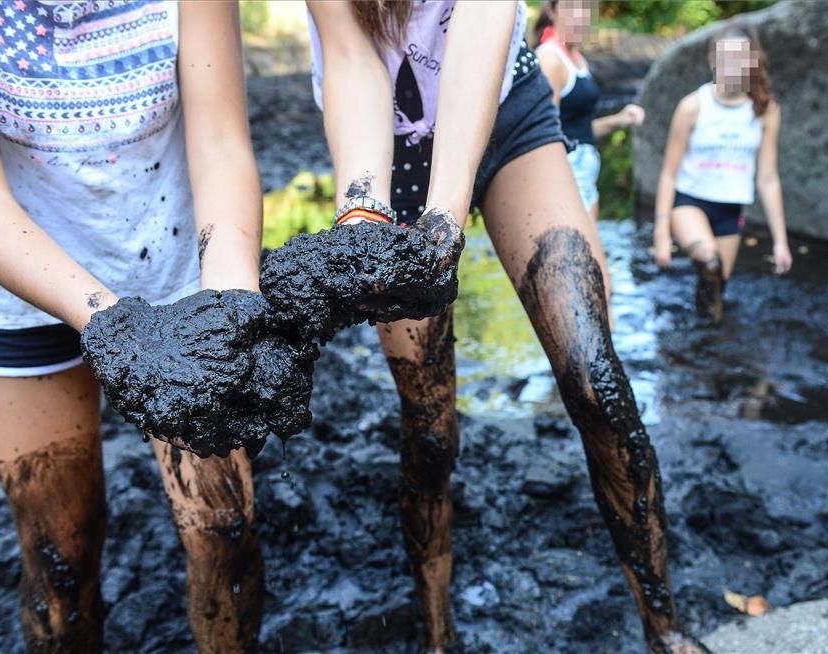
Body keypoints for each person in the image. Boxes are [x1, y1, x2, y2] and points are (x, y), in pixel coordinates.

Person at [306, 2, 707, 652]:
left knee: (596, 379)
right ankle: (437, 634)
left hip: (505, 106)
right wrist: (362, 214)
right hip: (388, 140)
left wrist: (446, 213)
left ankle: (667, 631)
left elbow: (483, 19)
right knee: (430, 432)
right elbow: (352, 57)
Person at [0, 1, 264, 651]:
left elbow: (220, 144)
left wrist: (232, 307)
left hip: (174, 267)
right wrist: (117, 327)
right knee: (61, 553)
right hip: (14, 282)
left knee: (224, 529)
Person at [653, 21, 792, 322]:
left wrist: (780, 241)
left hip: (730, 211)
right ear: (713, 60)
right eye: (725, 58)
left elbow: (768, 179)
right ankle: (702, 344)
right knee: (710, 263)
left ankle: (703, 349)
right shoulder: (693, 106)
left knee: (716, 286)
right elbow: (668, 173)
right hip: (689, 203)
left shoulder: (765, 110)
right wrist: (661, 232)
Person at [534, 0, 646, 222]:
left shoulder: (576, 57)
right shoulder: (550, 60)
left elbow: (578, 130)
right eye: (571, 7)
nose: (580, 16)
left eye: (586, 8)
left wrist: (619, 119)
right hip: (565, 177)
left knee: (589, 254)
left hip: (585, 176)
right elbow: (543, 135)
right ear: (552, 11)